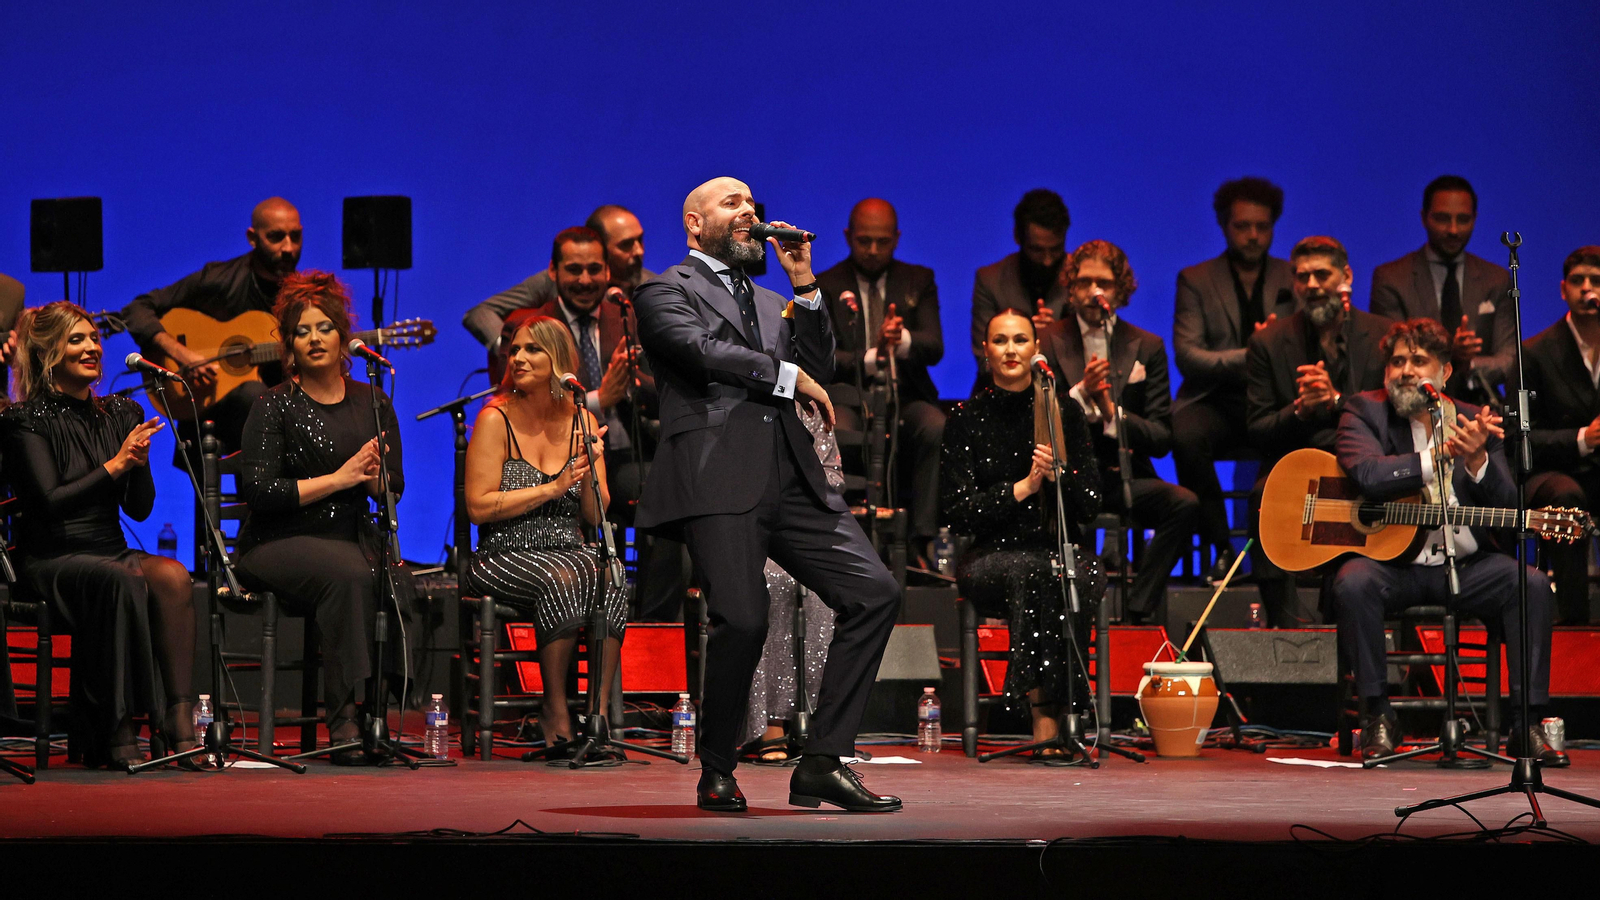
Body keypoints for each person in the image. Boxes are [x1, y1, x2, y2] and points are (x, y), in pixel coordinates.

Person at [633, 176, 901, 813]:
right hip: (717, 471)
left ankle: (823, 762)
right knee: (745, 619)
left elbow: (820, 367)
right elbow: (697, 351)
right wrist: (784, 374)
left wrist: (807, 286)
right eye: (733, 204)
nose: (750, 212)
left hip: (790, 474)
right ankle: (718, 766)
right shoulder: (664, 289)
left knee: (874, 593)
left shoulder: (774, 296)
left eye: (754, 204)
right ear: (694, 224)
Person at [1327, 318, 1562, 764]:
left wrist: (1477, 463)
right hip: (1393, 567)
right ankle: (1378, 715)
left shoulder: (1474, 420)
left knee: (1529, 584)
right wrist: (1438, 458)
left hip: (1468, 566)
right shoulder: (1362, 410)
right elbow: (1369, 475)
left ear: (1445, 373)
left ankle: (1525, 724)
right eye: (1397, 362)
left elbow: (1510, 507)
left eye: (1419, 361)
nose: (1405, 371)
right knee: (1352, 582)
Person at [0, 301, 195, 770]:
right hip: (49, 558)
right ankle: (115, 730)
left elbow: (140, 510)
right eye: (77, 340)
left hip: (108, 548)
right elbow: (48, 502)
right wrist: (116, 465)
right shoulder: (24, 420)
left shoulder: (122, 411)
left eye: (94, 338)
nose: (92, 347)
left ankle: (179, 721)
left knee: (172, 575)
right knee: (120, 579)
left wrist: (140, 464)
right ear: (49, 352)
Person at [233, 271, 407, 766]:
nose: (314, 339)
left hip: (349, 535)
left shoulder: (373, 401)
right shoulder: (273, 406)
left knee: (393, 576)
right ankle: (343, 723)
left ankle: (379, 713)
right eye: (302, 331)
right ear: (287, 345)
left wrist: (373, 477)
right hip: (277, 540)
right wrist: (342, 477)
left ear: (343, 337)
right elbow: (261, 492)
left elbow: (393, 486)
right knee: (351, 575)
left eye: (324, 328)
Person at [464, 314, 630, 752]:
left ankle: (595, 719)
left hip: (568, 550)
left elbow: (595, 517)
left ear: (559, 361)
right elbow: (478, 507)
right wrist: (554, 488)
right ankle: (554, 709)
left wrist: (592, 467)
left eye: (531, 349)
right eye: (514, 349)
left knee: (611, 578)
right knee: (566, 576)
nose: (517, 357)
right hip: (502, 554)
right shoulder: (494, 419)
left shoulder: (583, 420)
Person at [942, 310, 1104, 761]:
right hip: (990, 556)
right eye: (1000, 341)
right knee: (1034, 573)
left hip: (1057, 548)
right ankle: (1046, 718)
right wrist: (1021, 490)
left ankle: (1071, 717)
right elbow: (957, 513)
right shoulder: (965, 418)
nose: (1011, 349)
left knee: (1073, 572)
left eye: (1020, 340)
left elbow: (1091, 502)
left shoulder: (1064, 411)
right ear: (985, 351)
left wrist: (1059, 477)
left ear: (1037, 351)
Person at [1039, 241, 1195, 624]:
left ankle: (1138, 610)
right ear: (1071, 288)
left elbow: (1160, 437)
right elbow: (1037, 421)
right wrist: (1079, 395)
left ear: (1120, 290)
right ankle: (1067, 615)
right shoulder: (1045, 340)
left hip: (1124, 474)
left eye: (1105, 284)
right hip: (1066, 476)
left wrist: (1111, 411)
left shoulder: (1147, 345)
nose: (1095, 292)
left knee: (1185, 504)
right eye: (1086, 282)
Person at [1246, 236, 1391, 626]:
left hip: (1363, 463)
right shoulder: (1268, 342)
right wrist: (1299, 409)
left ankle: (1351, 620)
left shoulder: (1383, 336)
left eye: (1321, 275)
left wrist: (1337, 400)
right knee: (1262, 495)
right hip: (1296, 463)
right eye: (1301, 276)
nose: (1311, 285)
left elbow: (1393, 418)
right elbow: (1257, 430)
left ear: (1346, 276)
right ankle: (1287, 629)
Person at [1172, 177, 1297, 582]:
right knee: (1185, 435)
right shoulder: (1196, 279)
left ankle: (1282, 551)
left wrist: (1270, 352)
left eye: (1263, 226)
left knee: (1312, 429)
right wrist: (1256, 352)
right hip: (1215, 398)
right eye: (1243, 226)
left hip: (1275, 397)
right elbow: (1189, 356)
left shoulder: (1294, 276)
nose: (1254, 235)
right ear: (1225, 225)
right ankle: (1222, 547)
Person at [815, 198, 945, 559]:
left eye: (882, 242)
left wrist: (900, 340)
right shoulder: (825, 284)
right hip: (847, 396)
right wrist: (871, 358)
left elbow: (934, 346)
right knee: (838, 428)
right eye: (864, 241)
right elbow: (821, 358)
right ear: (847, 236)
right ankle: (838, 538)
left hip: (905, 395)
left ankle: (922, 542)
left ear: (898, 238)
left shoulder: (919, 280)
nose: (873, 250)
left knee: (934, 425)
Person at [122, 197, 302, 455]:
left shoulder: (303, 294)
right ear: (253, 238)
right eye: (276, 237)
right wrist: (181, 354)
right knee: (255, 395)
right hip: (212, 409)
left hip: (280, 407)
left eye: (295, 237)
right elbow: (136, 309)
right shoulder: (219, 280)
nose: (288, 248)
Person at [743, 403, 840, 761]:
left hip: (802, 527)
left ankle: (821, 724)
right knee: (772, 581)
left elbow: (833, 473)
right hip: (748, 530)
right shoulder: (741, 405)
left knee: (826, 586)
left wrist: (801, 489)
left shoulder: (811, 408)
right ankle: (769, 724)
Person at [1370, 175, 1513, 402]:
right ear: (1424, 218)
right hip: (1412, 404)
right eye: (1443, 219)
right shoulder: (1392, 278)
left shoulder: (1495, 279)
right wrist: (1449, 353)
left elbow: (1510, 358)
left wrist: (1469, 365)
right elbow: (1389, 356)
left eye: (1463, 219)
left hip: (1479, 404)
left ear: (1475, 219)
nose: (1453, 230)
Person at [1521, 246, 1600, 625]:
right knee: (1567, 499)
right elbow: (1523, 439)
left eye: (1597, 281)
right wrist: (1584, 437)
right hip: (1554, 470)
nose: (1588, 289)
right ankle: (1574, 624)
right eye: (1578, 281)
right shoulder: (1535, 353)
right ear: (1563, 290)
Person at [464, 205, 655, 349]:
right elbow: (480, 314)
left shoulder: (652, 287)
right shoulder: (553, 281)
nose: (639, 251)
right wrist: (513, 352)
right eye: (626, 245)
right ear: (597, 246)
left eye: (640, 240)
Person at [969, 189, 1072, 389]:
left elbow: (1087, 358)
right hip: (1000, 392)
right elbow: (985, 362)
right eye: (1037, 250)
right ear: (1018, 236)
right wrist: (1022, 338)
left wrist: (1053, 337)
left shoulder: (1079, 279)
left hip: (1063, 390)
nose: (1048, 261)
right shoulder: (990, 280)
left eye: (1056, 249)